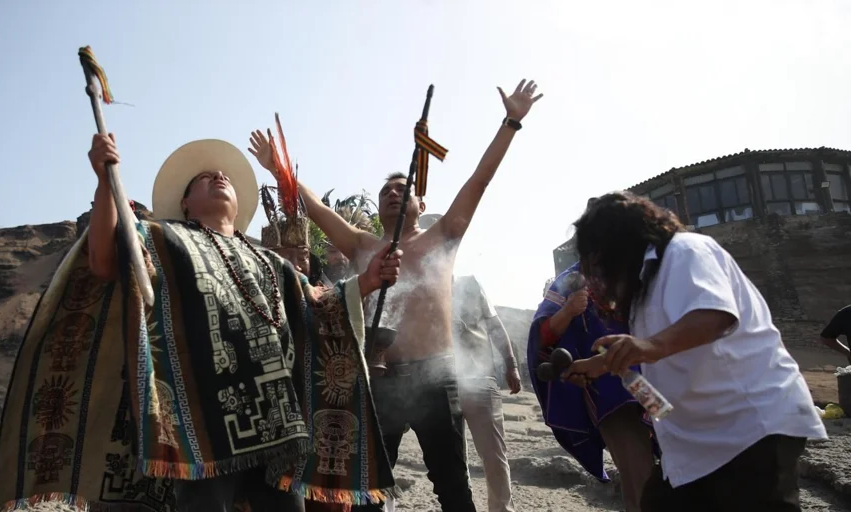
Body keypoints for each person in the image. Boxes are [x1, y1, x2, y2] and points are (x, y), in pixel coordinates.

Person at [0, 134, 404, 512]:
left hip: (277, 425)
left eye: (222, 176)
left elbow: (317, 305)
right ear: (186, 203)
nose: (219, 176)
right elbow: (103, 261)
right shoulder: (160, 238)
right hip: (199, 423)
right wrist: (105, 181)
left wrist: (368, 281)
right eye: (205, 178)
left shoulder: (271, 262)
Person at [248, 79, 543, 512]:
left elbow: (479, 181)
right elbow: (316, 210)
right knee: (368, 492)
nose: (391, 193)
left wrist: (511, 121)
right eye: (385, 190)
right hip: (380, 379)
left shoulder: (443, 236)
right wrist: (280, 171)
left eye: (401, 189)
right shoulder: (363, 245)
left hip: (437, 376)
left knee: (453, 488)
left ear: (420, 204)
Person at [566, 191, 828, 511]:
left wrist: (647, 348)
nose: (600, 274)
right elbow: (661, 408)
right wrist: (613, 368)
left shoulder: (687, 251)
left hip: (753, 429)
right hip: (695, 452)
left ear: (620, 246)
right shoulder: (643, 298)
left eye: (600, 260)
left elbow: (716, 316)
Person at [527, 261, 657, 512]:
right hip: (608, 392)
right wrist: (567, 311)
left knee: (673, 448)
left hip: (646, 381)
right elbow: (542, 337)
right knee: (638, 474)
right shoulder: (572, 279)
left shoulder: (641, 268)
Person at [452, 274, 522, 512]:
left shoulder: (470, 284)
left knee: (494, 455)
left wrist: (511, 364)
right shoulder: (424, 287)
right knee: (453, 460)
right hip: (442, 385)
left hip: (480, 380)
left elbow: (494, 324)